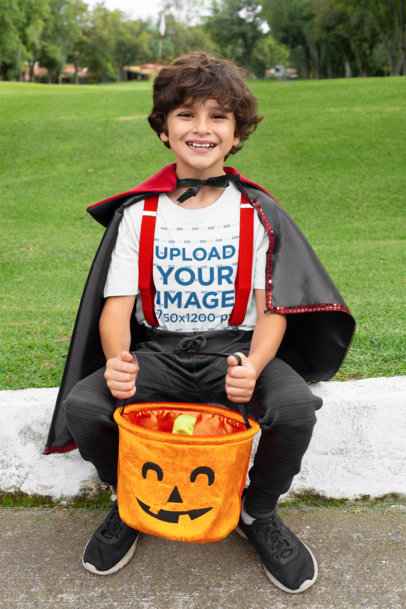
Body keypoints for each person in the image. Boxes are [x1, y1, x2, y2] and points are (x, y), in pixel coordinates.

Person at [44, 52, 355, 593]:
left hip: (234, 349)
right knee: (87, 406)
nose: (202, 128)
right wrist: (120, 364)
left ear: (237, 134)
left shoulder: (252, 211)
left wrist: (255, 366)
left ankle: (257, 513)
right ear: (164, 129)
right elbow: (116, 306)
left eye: (219, 116)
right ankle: (133, 500)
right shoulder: (140, 214)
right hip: (160, 353)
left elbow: (272, 305)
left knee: (295, 407)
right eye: (186, 114)